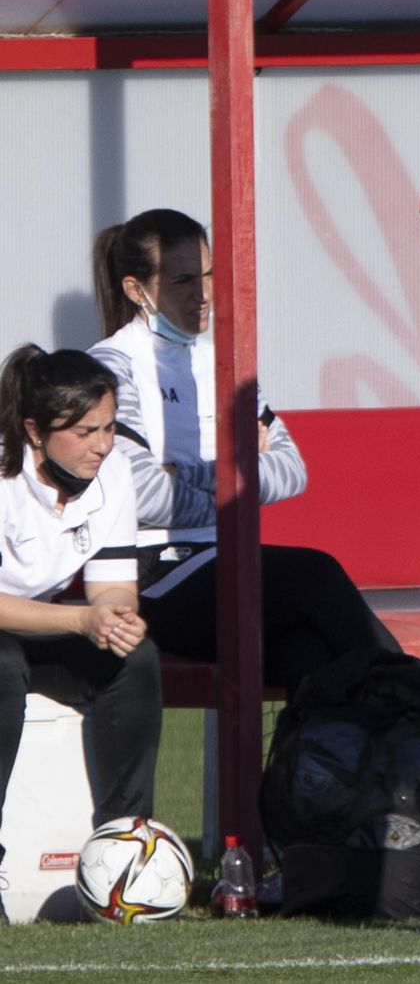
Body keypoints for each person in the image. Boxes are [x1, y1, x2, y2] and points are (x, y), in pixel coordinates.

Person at [88, 208, 399, 698]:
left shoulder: (225, 360)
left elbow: (293, 471)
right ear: (135, 290)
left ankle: (350, 764)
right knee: (315, 574)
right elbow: (143, 494)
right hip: (151, 578)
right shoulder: (110, 364)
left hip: (225, 563)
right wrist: (237, 476)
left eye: (209, 275)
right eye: (184, 279)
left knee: (310, 661)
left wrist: (188, 472)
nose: (205, 294)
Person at [0, 345, 163, 925]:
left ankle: (125, 854)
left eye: (110, 426)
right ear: (35, 432)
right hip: (10, 633)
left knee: (134, 659)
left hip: (40, 623)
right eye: (85, 430)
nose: (103, 444)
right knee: (2, 665)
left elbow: (113, 586)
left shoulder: (113, 472)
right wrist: (80, 620)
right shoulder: (3, 474)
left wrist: (118, 617)